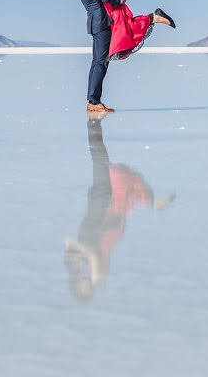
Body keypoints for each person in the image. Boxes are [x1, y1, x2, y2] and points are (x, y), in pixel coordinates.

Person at [63, 115, 174, 302]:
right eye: (84, 286)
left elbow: (73, 244)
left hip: (103, 210)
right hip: (105, 211)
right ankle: (93, 124)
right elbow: (89, 250)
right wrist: (80, 250)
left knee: (100, 159)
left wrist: (77, 251)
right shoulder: (97, 274)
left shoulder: (87, 267)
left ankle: (94, 123)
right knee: (99, 159)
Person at [64, 0, 125, 113]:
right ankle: (94, 102)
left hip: (95, 23)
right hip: (101, 23)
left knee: (97, 62)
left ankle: (93, 100)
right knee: (100, 62)